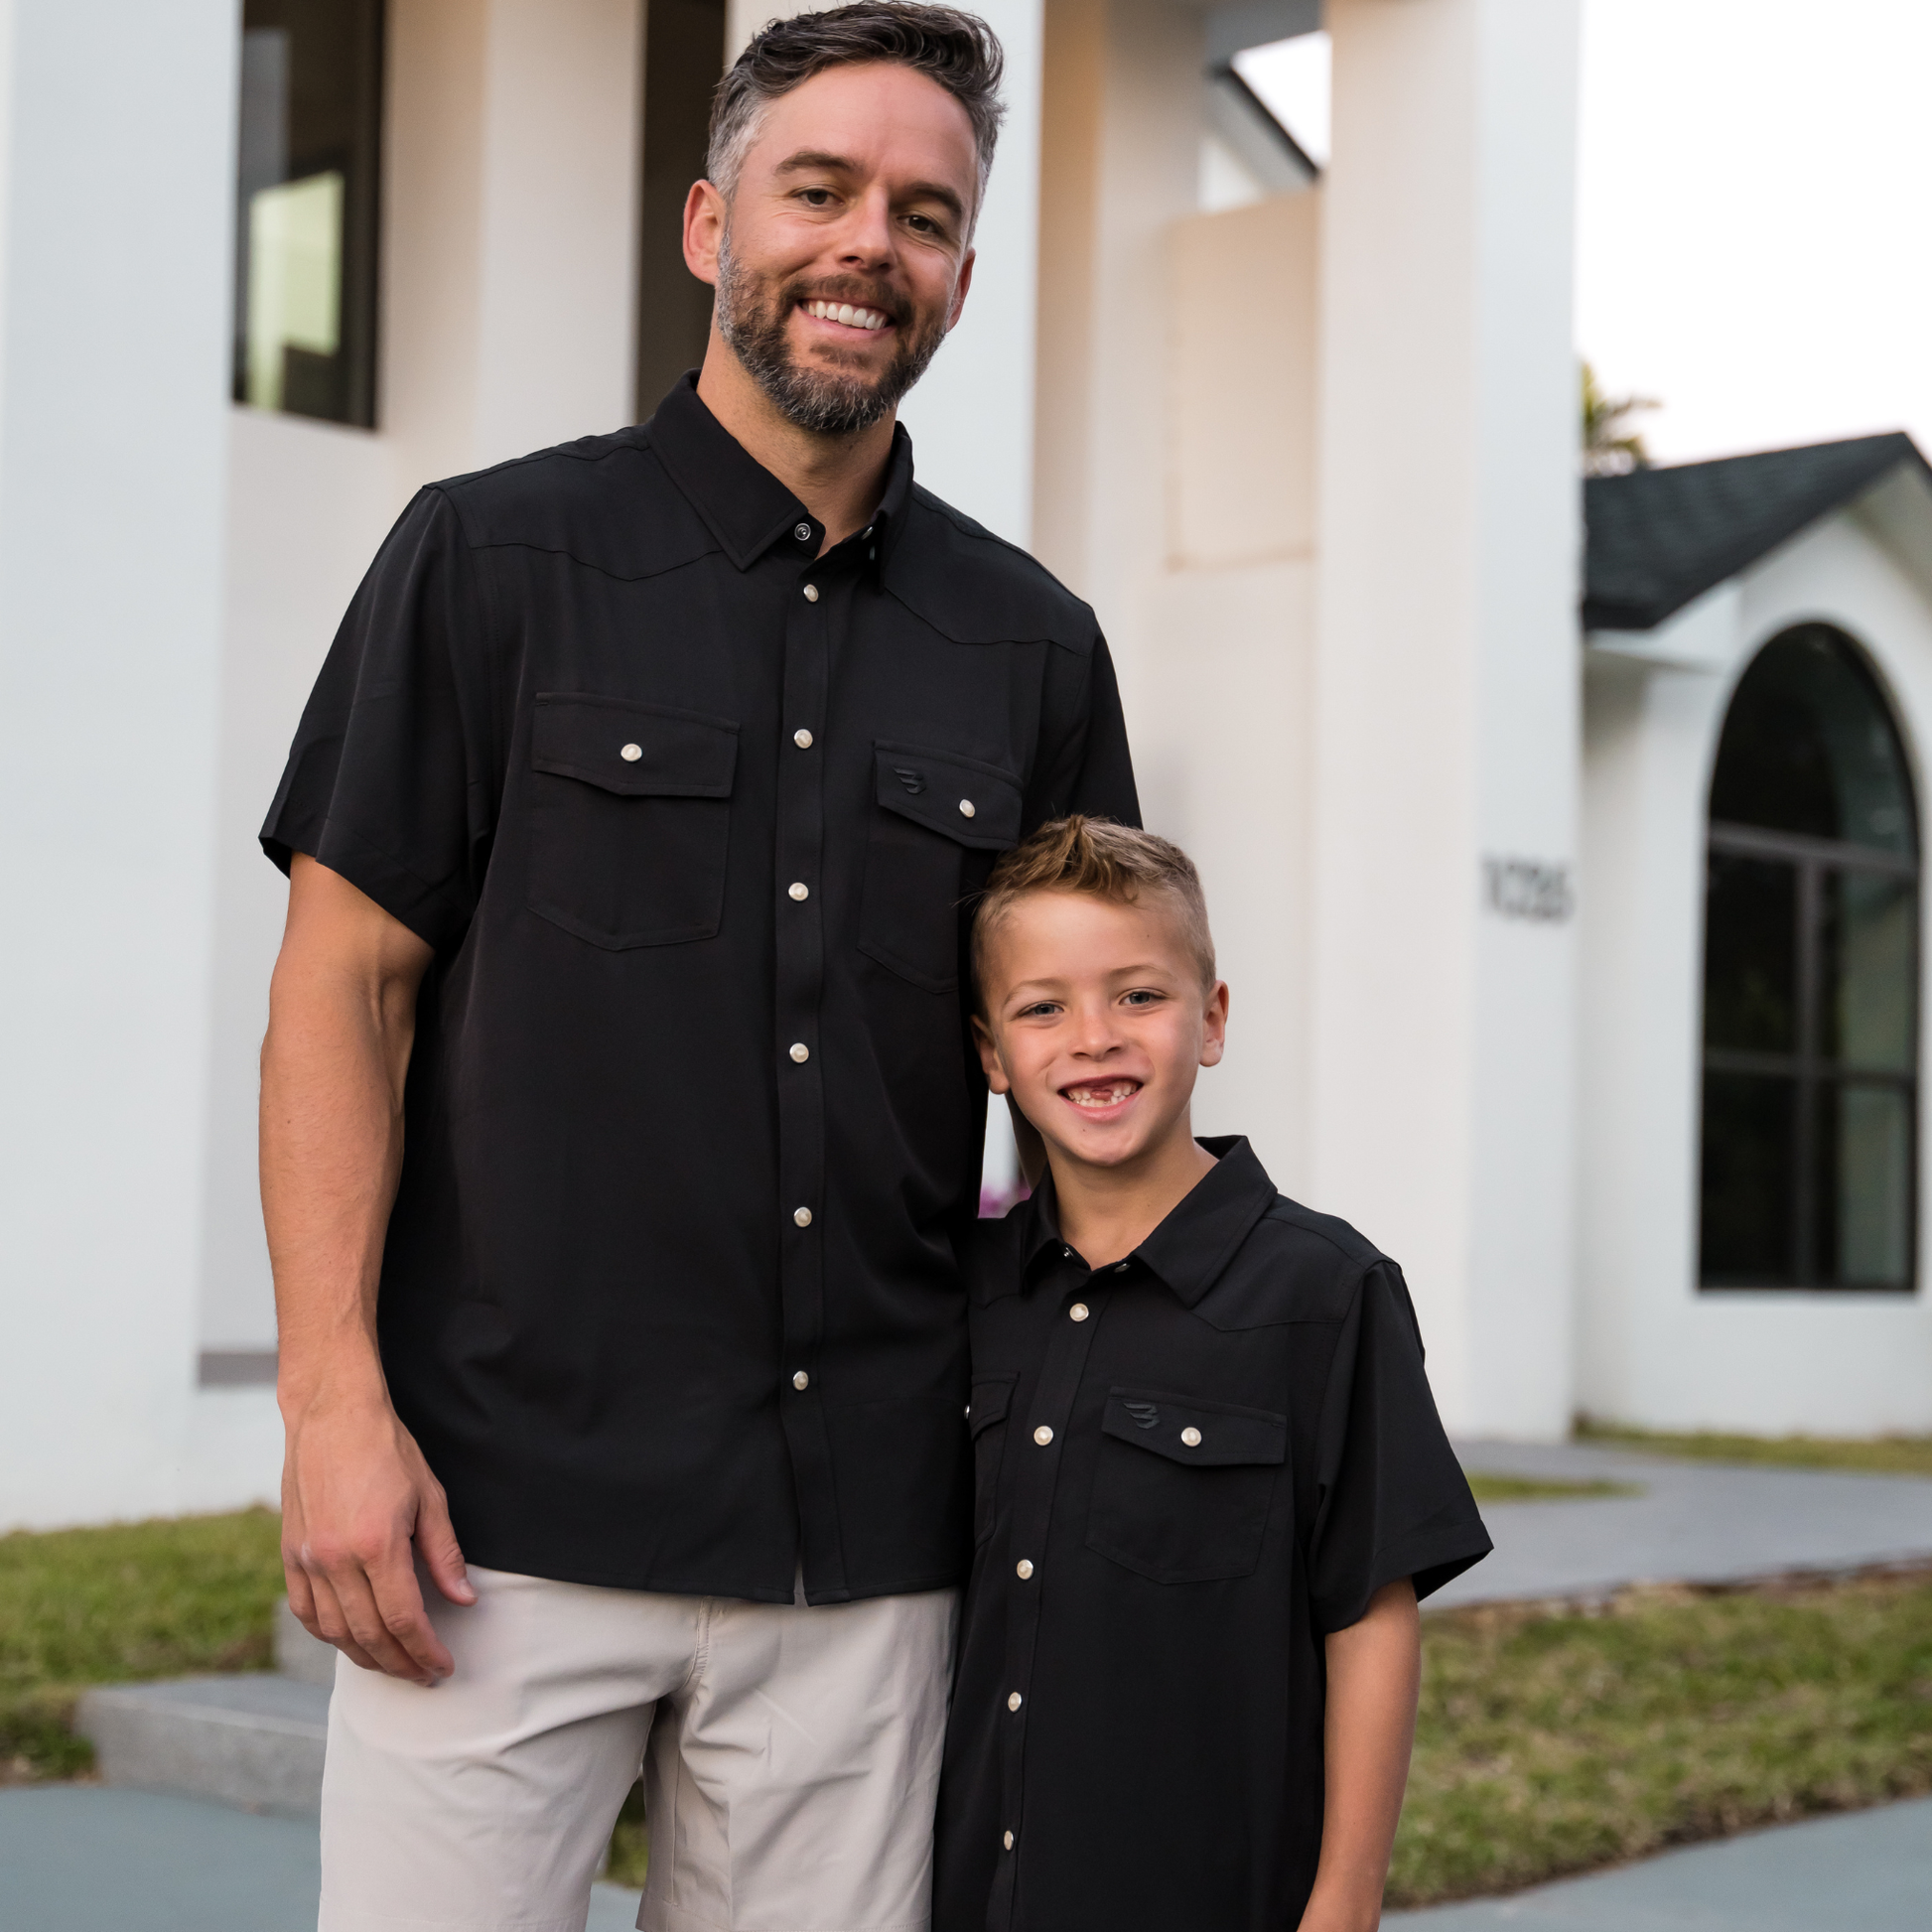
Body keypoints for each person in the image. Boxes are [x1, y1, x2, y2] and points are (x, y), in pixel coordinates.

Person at [256, 7, 1138, 1927]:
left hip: (874, 1556)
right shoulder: (489, 560)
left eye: (923, 212)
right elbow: (343, 987)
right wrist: (335, 1408)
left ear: (963, 280)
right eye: (816, 190)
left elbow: (1094, 1071)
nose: (865, 246)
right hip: (496, 1529)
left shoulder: (1036, 647)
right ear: (707, 222)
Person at [934, 817, 1490, 1932]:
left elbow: (1369, 1614)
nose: (1091, 1037)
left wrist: (1345, 1902)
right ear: (992, 1054)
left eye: (1137, 995)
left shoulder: (1325, 1291)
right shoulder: (964, 1291)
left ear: (1213, 1019)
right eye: (1041, 1006)